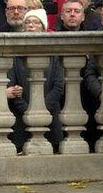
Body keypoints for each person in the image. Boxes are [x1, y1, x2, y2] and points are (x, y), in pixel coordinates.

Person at [5, 10, 65, 152]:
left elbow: (58, 85)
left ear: (43, 27)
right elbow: (12, 87)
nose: (31, 25)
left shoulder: (53, 55)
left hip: (50, 115)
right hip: (22, 118)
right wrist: (28, 110)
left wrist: (42, 109)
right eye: (28, 22)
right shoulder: (15, 55)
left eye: (36, 22)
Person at [56, 0, 103, 149]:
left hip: (89, 96)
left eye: (77, 11)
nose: (72, 14)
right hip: (61, 95)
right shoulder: (52, 39)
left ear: (83, 16)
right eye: (68, 11)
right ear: (62, 15)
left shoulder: (92, 39)